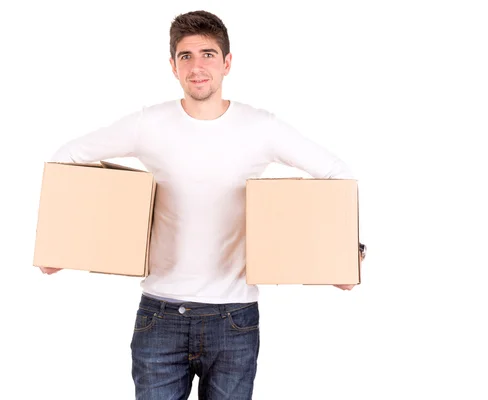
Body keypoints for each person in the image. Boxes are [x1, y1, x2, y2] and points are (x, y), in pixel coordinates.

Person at [39, 10, 366, 400]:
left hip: (234, 317)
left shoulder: (261, 127)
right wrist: (61, 245)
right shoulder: (149, 124)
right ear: (173, 66)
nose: (197, 66)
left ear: (227, 63)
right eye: (186, 56)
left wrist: (345, 258)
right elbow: (68, 157)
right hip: (160, 314)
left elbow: (337, 174)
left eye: (208, 54)